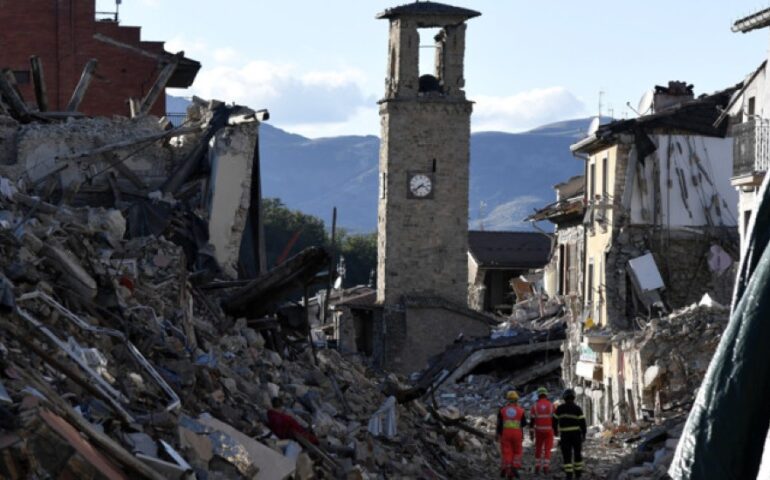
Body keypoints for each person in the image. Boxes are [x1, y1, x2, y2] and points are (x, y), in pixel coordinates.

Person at [553, 388, 587, 479]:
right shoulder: (577, 408)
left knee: (567, 455)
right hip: (576, 435)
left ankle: (569, 475)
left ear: (564, 397)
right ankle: (578, 474)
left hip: (565, 435)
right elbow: (583, 423)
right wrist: (584, 434)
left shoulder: (560, 408)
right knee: (577, 454)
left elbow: (554, 420)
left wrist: (555, 432)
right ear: (574, 397)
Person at [496, 390, 527, 478]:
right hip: (517, 433)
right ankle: (515, 466)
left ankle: (507, 469)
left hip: (505, 433)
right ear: (517, 400)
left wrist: (498, 434)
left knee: (506, 452)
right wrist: (522, 435)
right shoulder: (520, 410)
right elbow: (523, 424)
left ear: (508, 400)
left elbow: (499, 424)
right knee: (517, 451)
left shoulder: (502, 410)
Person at [529, 386, 554, 475]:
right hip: (549, 431)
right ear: (546, 395)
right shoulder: (551, 405)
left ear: (538, 395)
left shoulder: (534, 406)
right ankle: (546, 467)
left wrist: (531, 433)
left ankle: (537, 467)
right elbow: (554, 419)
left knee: (538, 449)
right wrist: (556, 431)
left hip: (538, 431)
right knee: (547, 449)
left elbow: (531, 421)